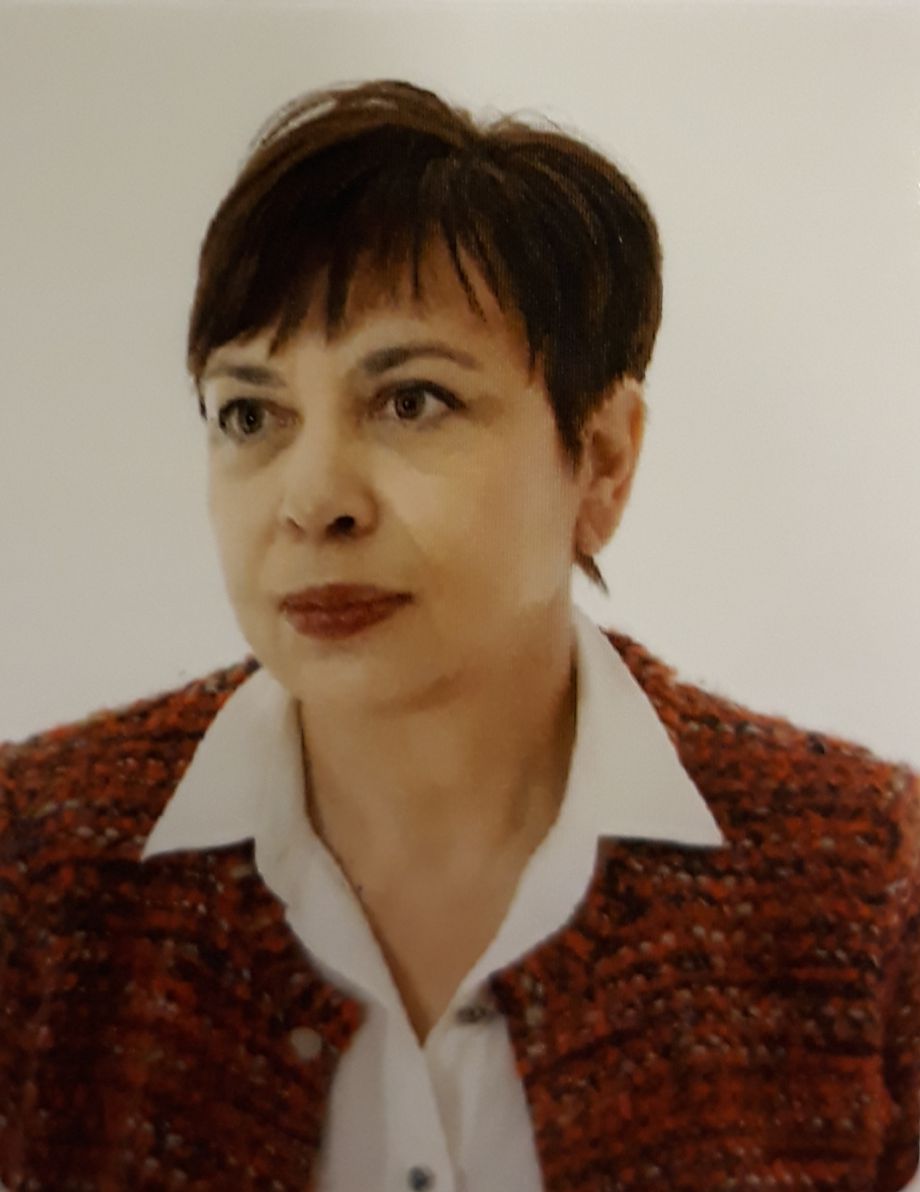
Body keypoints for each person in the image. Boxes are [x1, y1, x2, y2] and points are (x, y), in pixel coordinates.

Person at [0, 77, 917, 1192]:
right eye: (251, 413)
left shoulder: (860, 879)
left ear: (601, 460)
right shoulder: (37, 866)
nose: (313, 501)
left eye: (411, 401)